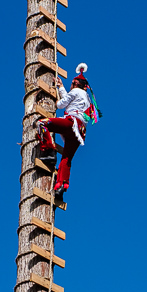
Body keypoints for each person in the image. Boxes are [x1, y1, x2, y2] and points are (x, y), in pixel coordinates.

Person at [36, 63, 101, 202]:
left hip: (71, 124)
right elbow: (70, 101)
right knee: (66, 158)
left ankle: (49, 151)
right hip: (80, 133)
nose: (71, 85)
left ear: (76, 84)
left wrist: (60, 89)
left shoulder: (76, 91)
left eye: (73, 83)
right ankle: (61, 187)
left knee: (42, 124)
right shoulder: (86, 98)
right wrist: (61, 87)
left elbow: (61, 105)